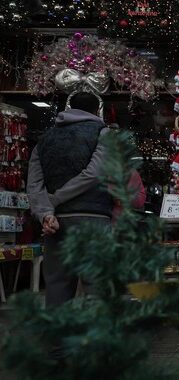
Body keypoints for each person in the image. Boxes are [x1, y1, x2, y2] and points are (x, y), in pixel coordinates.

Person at [27, 92, 114, 308]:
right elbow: (94, 174)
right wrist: (56, 199)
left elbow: (34, 185)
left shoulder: (45, 139)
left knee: (57, 287)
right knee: (97, 287)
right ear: (97, 111)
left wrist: (46, 212)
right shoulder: (103, 133)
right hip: (93, 220)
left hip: (55, 224)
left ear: (69, 108)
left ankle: (58, 340)